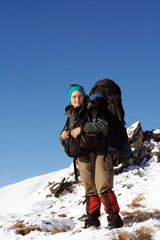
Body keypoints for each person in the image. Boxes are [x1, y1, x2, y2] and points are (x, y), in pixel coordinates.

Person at [60, 84, 123, 229]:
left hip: (100, 152)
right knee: (90, 190)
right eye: (74, 97)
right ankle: (92, 220)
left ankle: (115, 219)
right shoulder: (70, 116)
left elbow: (103, 126)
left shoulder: (93, 110)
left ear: (84, 97)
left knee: (104, 187)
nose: (77, 99)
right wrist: (63, 137)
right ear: (70, 99)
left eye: (80, 96)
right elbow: (65, 139)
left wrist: (82, 128)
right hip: (82, 156)